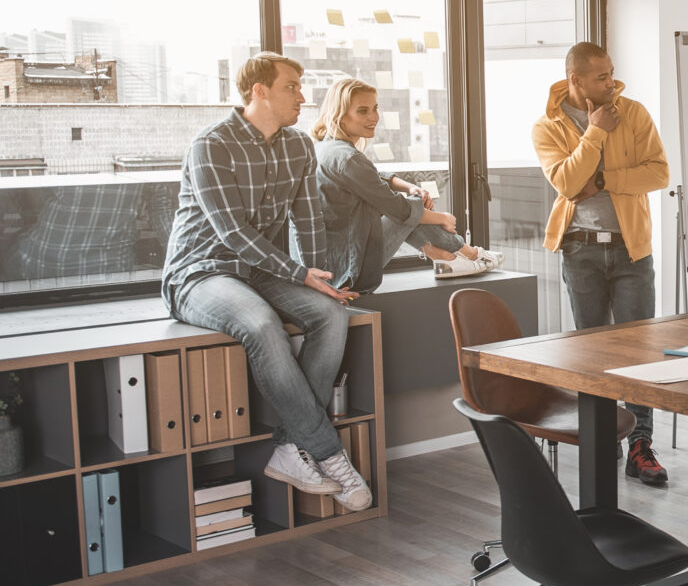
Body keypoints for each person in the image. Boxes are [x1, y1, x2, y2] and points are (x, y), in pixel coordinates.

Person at [161, 52, 372, 511]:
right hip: (200, 271)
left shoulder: (297, 146)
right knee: (259, 324)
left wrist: (318, 279)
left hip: (259, 270)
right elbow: (231, 232)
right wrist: (298, 273)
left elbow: (307, 220)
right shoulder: (210, 145)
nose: (302, 95)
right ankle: (327, 453)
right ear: (260, 91)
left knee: (332, 314)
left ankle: (290, 446)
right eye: (291, 86)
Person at [532, 42, 670, 485]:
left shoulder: (634, 112)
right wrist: (594, 132)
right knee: (593, 355)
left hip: (632, 250)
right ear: (576, 80)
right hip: (581, 250)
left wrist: (606, 180)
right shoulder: (547, 127)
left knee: (639, 355)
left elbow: (659, 173)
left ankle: (640, 445)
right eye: (601, 77)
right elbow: (570, 185)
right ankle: (602, 437)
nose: (611, 83)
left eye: (612, 74)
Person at [310, 77, 502, 293]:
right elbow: (399, 210)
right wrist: (443, 218)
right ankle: (466, 253)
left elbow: (374, 178)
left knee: (409, 202)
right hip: (350, 272)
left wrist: (409, 187)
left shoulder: (324, 149)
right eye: (362, 111)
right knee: (408, 208)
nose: (373, 117)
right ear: (340, 115)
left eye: (375, 108)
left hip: (334, 265)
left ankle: (444, 256)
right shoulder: (348, 158)